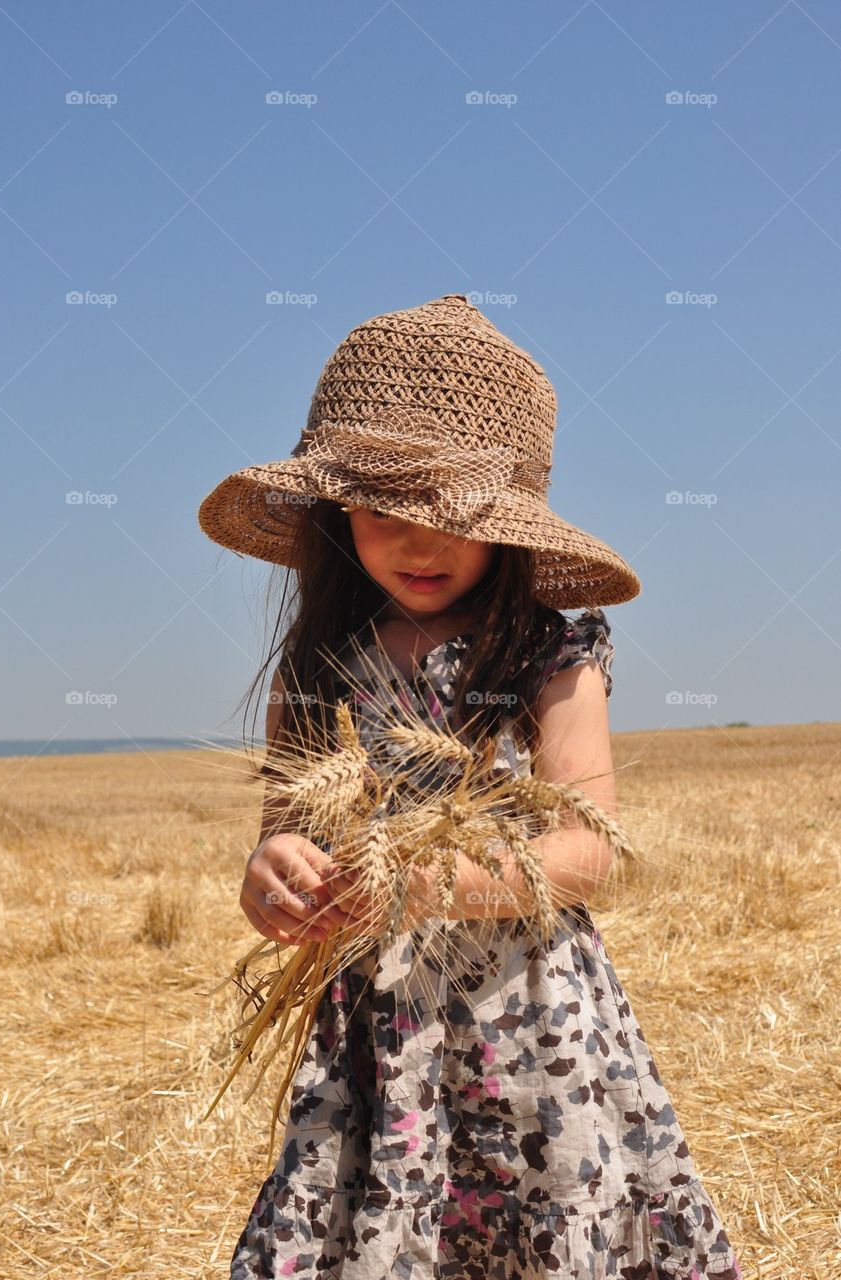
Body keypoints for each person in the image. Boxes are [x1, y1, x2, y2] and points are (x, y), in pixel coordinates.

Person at [198, 294, 742, 1279]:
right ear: (334, 514)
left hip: (529, 1025)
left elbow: (590, 846)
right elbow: (282, 830)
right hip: (373, 1027)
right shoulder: (319, 662)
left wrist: (432, 880)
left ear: (509, 521)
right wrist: (272, 875)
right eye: (378, 511)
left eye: (453, 515)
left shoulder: (550, 643)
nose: (417, 543)